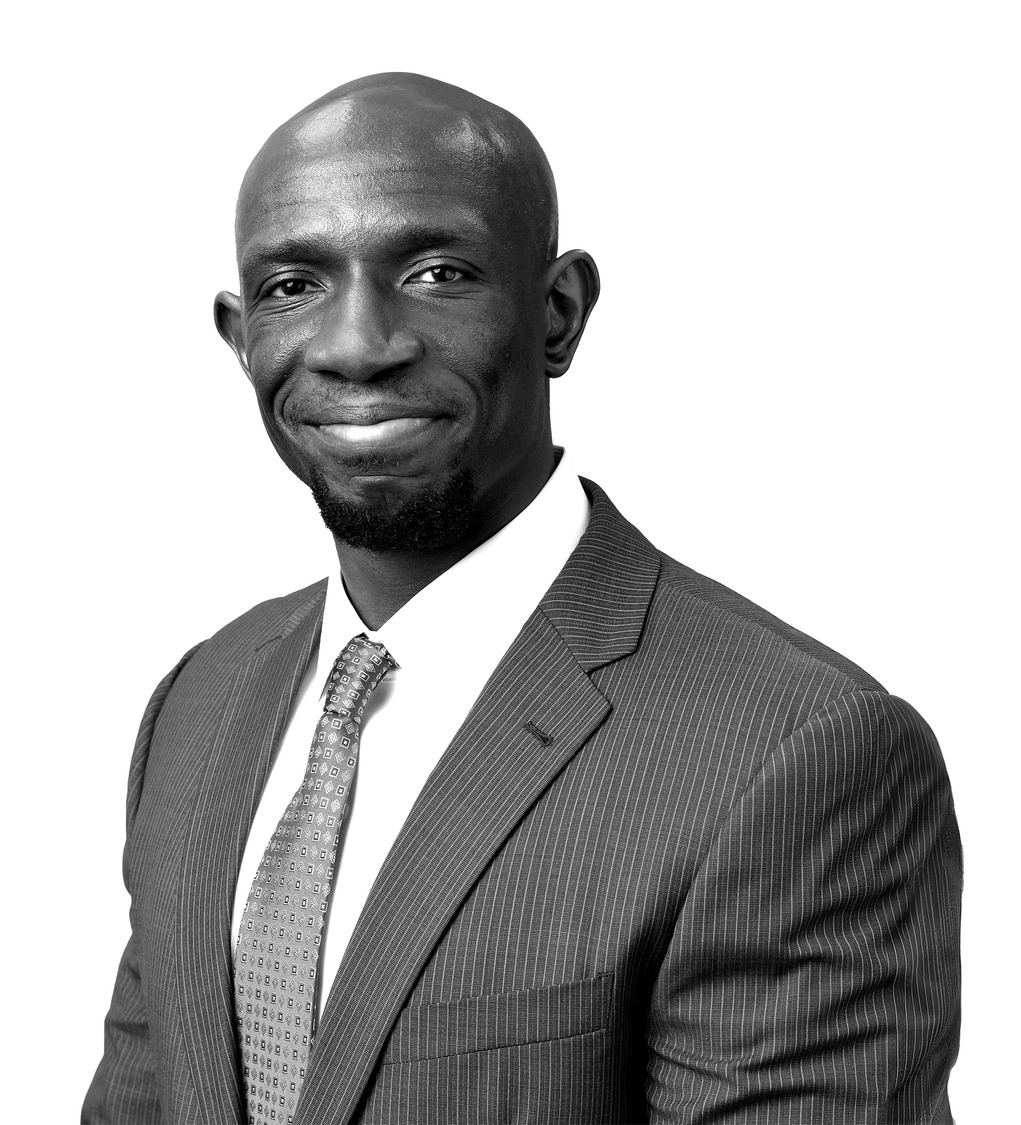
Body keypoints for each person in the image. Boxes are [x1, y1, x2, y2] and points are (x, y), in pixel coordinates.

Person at [83, 72, 961, 1125]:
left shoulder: (794, 751)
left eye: (437, 271)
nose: (359, 344)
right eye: (292, 286)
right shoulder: (199, 703)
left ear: (557, 313)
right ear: (238, 338)